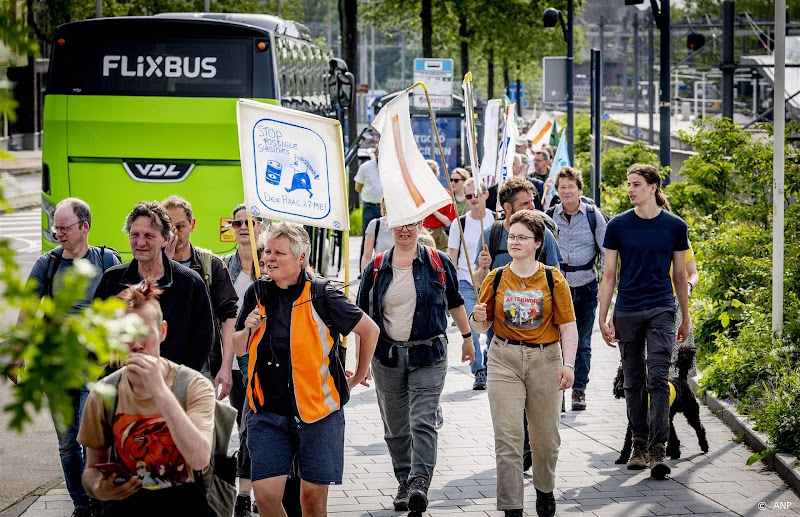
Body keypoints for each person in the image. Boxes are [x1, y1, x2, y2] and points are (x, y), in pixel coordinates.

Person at [233, 222, 379, 517]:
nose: (269, 258)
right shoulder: (256, 293)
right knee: (265, 498)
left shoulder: (323, 295)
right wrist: (247, 329)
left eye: (279, 253)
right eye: (268, 251)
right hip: (267, 412)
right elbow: (237, 348)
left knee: (311, 502)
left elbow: (369, 329)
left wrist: (359, 375)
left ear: (301, 258)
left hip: (319, 414)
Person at [358, 220, 475, 514]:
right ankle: (403, 481)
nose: (405, 230)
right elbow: (362, 319)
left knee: (422, 420)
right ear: (391, 228)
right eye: (399, 225)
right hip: (387, 358)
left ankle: (419, 483)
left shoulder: (437, 261)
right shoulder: (376, 267)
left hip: (429, 354)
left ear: (420, 224)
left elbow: (455, 302)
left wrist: (467, 338)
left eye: (410, 224)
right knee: (395, 427)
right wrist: (362, 363)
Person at [15, 198, 120, 517]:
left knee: (94, 438)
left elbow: (122, 309)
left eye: (63, 227)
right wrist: (17, 355)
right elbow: (28, 311)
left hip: (96, 365)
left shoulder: (106, 259)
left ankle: (102, 499)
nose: (57, 233)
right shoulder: (46, 264)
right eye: (55, 227)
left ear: (84, 227)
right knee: (66, 442)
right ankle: (81, 504)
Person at [470, 210, 578, 517]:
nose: (514, 241)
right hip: (504, 359)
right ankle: (511, 508)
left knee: (546, 439)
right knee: (508, 437)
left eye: (522, 237)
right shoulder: (497, 276)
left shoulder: (552, 278)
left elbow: (569, 326)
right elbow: (482, 325)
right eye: (511, 236)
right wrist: (478, 319)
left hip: (545, 359)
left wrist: (568, 365)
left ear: (538, 243)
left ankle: (544, 489)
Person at [78, 279, 216, 515]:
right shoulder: (104, 394)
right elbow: (91, 470)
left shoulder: (194, 385)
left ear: (162, 332)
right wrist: (101, 489)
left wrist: (160, 391)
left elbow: (199, 459)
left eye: (145, 332)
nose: (137, 344)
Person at [598, 163, 691, 480]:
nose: (630, 189)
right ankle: (638, 445)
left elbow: (680, 275)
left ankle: (658, 449)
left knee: (657, 377)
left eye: (636, 184)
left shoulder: (675, 226)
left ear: (653, 187)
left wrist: (685, 317)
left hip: (661, 309)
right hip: (627, 309)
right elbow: (609, 275)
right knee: (633, 380)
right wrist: (603, 315)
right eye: (628, 184)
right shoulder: (618, 226)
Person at [94, 202, 214, 372]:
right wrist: (113, 378)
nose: (140, 242)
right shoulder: (111, 280)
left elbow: (203, 339)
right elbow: (98, 334)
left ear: (165, 239)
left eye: (149, 236)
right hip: (123, 388)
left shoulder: (190, 282)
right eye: (134, 234)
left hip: (173, 389)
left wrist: (180, 380)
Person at [162, 195, 239, 401]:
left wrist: (225, 368)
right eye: (169, 227)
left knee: (199, 432)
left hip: (201, 370)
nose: (175, 233)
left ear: (192, 225)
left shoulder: (210, 265)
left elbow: (229, 316)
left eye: (180, 226)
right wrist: (164, 265)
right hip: (159, 370)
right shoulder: (150, 264)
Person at [221, 204, 266, 517]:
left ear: (262, 226)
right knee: (242, 426)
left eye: (250, 222)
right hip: (234, 363)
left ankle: (244, 496)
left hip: (266, 362)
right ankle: (246, 493)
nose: (242, 227)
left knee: (251, 428)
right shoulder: (224, 268)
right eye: (237, 222)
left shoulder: (274, 262)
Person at [549, 168, 607, 411]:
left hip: (586, 285)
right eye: (562, 187)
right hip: (558, 286)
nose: (566, 191)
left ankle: (579, 389)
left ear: (579, 189)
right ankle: (558, 392)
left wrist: (607, 285)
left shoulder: (594, 216)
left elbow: (607, 252)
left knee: (582, 341)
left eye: (570, 186)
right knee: (556, 341)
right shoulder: (550, 216)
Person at [448, 178, 495, 390]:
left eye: (477, 194)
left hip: (492, 282)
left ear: (486, 194)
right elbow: (453, 255)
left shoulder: (496, 221)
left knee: (493, 328)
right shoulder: (460, 224)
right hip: (467, 282)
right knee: (472, 328)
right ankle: (479, 371)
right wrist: (452, 285)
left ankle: (489, 360)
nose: (473, 199)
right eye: (468, 196)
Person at [355, 135, 383, 259]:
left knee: (385, 238)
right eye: (379, 151)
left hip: (386, 209)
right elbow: (358, 187)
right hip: (370, 207)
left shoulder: (391, 168)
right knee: (367, 237)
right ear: (375, 152)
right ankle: (364, 270)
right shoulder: (365, 167)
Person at [421, 159, 456, 251]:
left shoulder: (444, 194)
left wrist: (434, 210)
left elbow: (448, 222)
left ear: (436, 175)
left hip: (439, 236)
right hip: (421, 234)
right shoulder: (416, 193)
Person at [360, 199, 394, 273]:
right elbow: (366, 257)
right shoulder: (375, 224)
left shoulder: (413, 225)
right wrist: (365, 281)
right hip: (381, 278)